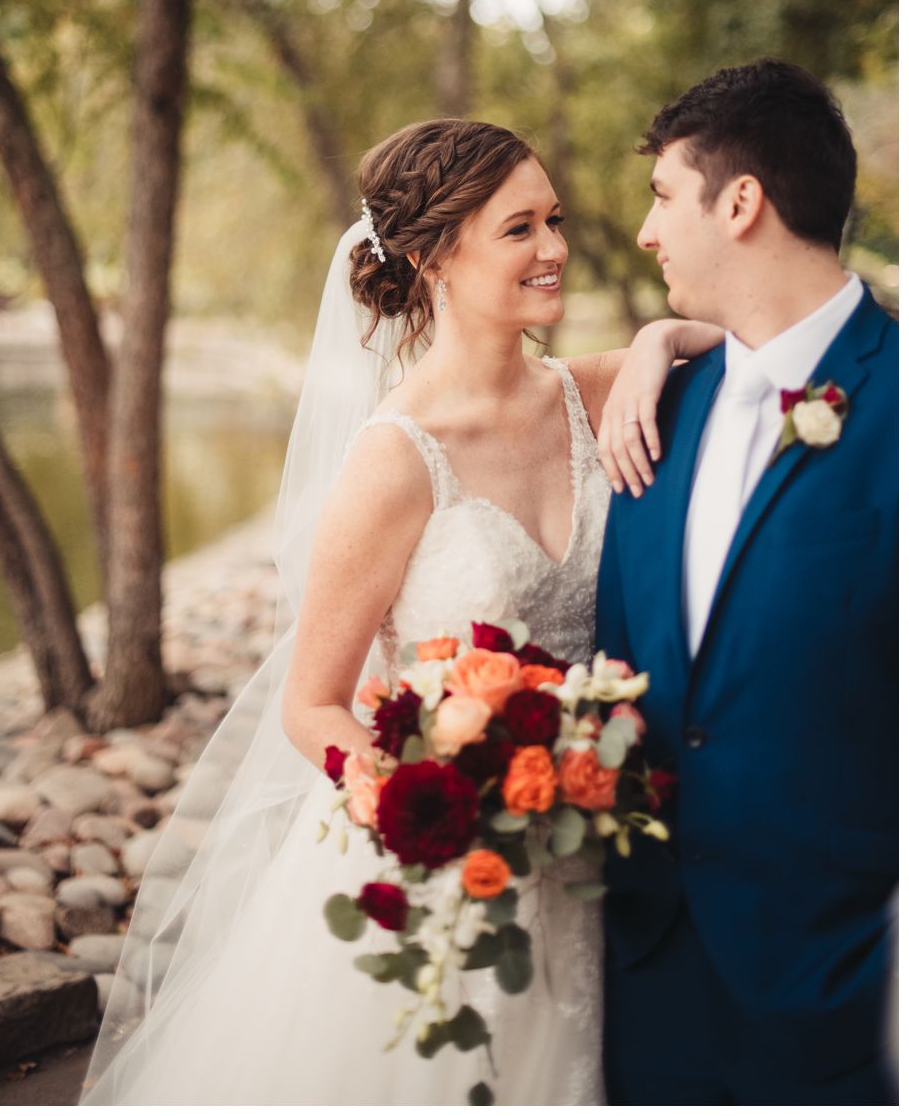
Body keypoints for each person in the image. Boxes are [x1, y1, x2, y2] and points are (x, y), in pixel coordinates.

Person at [84, 118, 720, 1104]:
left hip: (593, 844)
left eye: (553, 220)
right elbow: (311, 704)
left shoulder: (591, 393)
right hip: (448, 865)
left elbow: (755, 343)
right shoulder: (394, 458)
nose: (553, 248)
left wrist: (658, 339)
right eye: (518, 229)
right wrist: (427, 809)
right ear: (433, 257)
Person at [596, 60, 897, 1104]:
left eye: (662, 196)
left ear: (739, 204)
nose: (646, 232)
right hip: (642, 978)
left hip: (843, 995)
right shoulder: (653, 409)